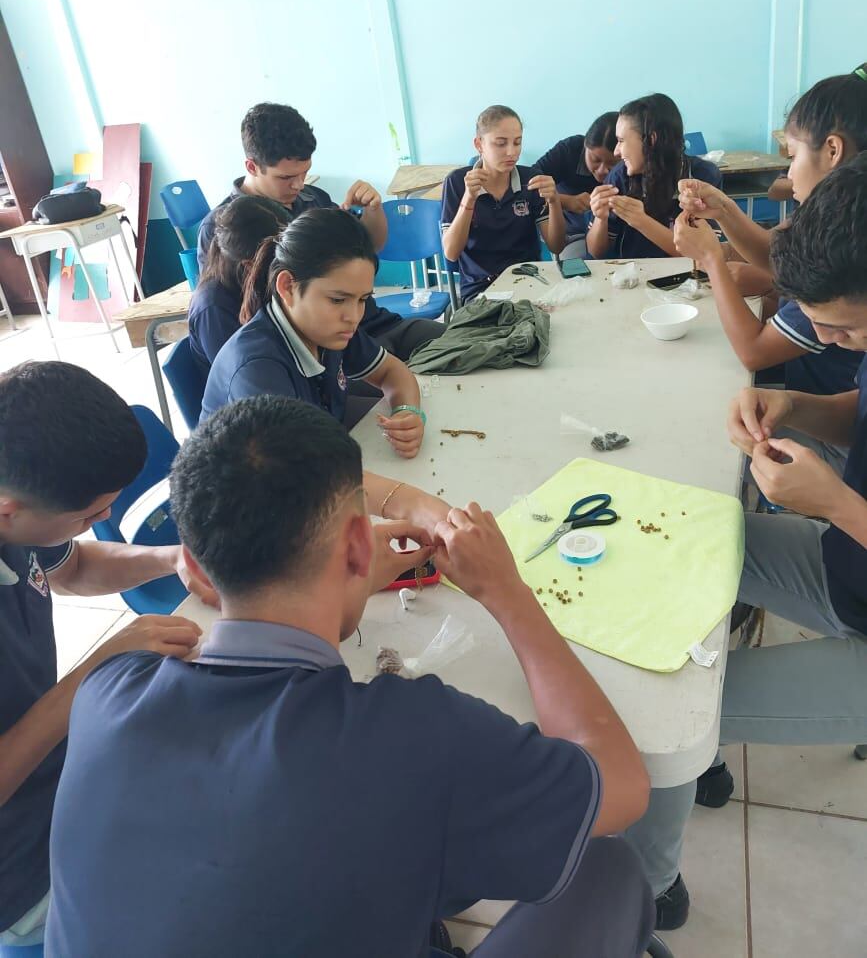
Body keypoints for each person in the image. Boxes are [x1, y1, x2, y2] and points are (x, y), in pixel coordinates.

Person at [46, 395, 654, 958]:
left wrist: (345, 563)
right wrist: (507, 592)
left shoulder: (107, 694)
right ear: (361, 549)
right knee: (608, 868)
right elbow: (621, 785)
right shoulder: (414, 737)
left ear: (197, 573)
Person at [627, 155, 867, 932]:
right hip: (843, 570)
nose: (828, 337)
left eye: (842, 325)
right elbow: (855, 409)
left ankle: (646, 889)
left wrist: (833, 502)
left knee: (663, 719)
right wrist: (795, 402)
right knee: (687, 533)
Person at [0, 362, 209, 955]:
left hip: (61, 782)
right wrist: (100, 664)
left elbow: (75, 568)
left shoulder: (22, 512)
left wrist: (172, 558)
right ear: (8, 510)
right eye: (89, 517)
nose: (97, 526)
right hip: (20, 871)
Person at [674, 64, 867, 451]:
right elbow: (778, 257)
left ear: (832, 149)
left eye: (792, 156)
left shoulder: (845, 254)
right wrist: (725, 210)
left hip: (828, 418)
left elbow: (755, 352)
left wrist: (714, 261)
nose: (788, 174)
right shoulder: (835, 216)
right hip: (825, 405)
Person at [197, 102, 444, 360]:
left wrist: (373, 211)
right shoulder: (223, 227)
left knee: (463, 344)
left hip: (371, 327)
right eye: (285, 177)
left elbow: (367, 250)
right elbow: (235, 314)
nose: (298, 184)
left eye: (305, 173)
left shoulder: (313, 199)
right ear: (251, 166)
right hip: (323, 352)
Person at [201, 208, 427, 458]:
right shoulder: (257, 367)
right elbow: (302, 473)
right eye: (338, 299)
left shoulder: (328, 329)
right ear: (287, 287)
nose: (354, 316)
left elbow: (392, 372)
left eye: (362, 299)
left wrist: (407, 412)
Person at [441, 105, 567, 302]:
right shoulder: (457, 182)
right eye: (500, 144)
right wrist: (469, 199)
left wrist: (554, 201)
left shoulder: (531, 179)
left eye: (517, 143)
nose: (511, 152)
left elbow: (556, 246)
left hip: (530, 280)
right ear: (479, 144)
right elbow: (451, 253)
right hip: (481, 289)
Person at [586, 93, 723, 260]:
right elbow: (595, 252)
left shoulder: (701, 178)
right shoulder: (620, 177)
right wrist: (601, 219)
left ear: (651, 140)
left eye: (621, 140)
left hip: (686, 278)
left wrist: (641, 221)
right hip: (634, 277)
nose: (616, 151)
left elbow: (704, 253)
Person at [188, 194, 288, 377]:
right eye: (279, 261)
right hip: (254, 397)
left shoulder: (257, 281)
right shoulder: (213, 307)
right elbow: (246, 378)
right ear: (250, 264)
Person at [529, 111, 619, 258]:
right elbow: (529, 184)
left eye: (612, 164)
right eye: (595, 159)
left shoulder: (628, 166)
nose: (602, 170)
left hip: (614, 232)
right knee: (576, 273)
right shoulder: (569, 150)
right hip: (571, 234)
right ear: (585, 145)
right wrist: (565, 201)